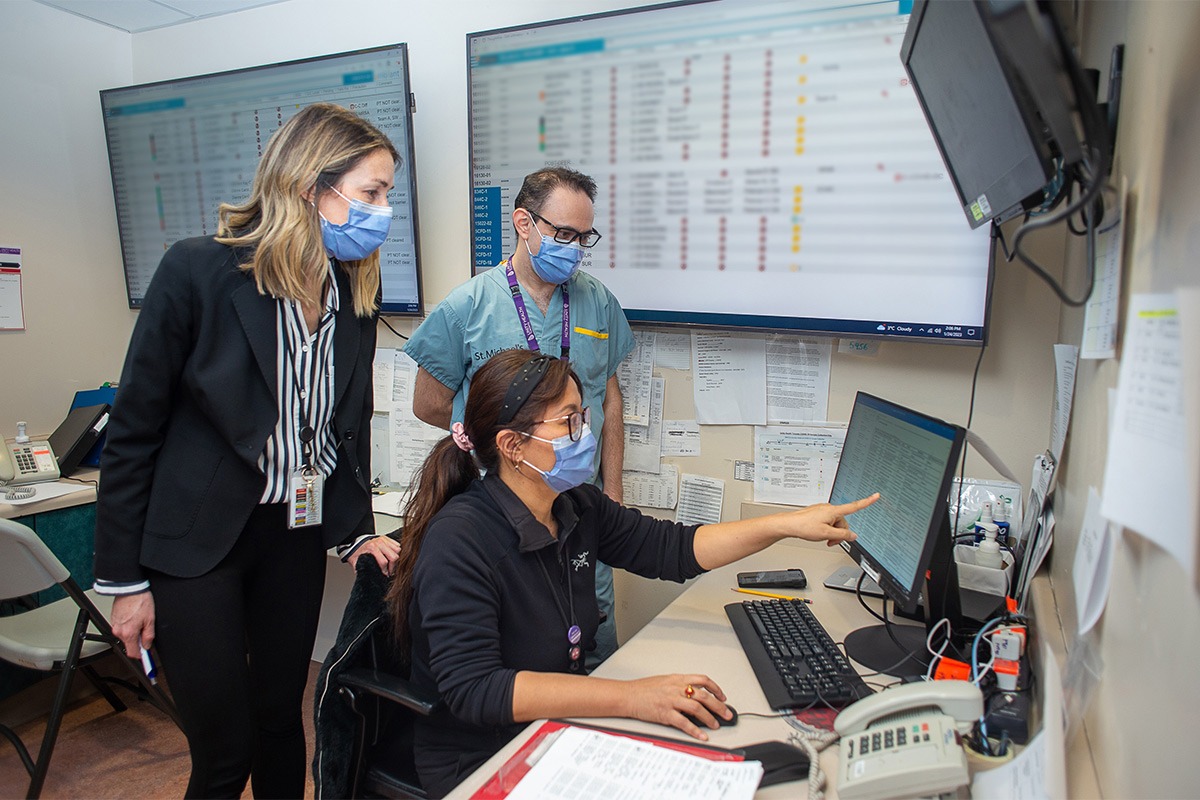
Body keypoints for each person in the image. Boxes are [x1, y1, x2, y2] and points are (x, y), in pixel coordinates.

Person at [385, 349, 878, 796]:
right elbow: (478, 690)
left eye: (585, 415)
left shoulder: (573, 505)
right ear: (513, 445)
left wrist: (787, 524)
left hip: (557, 725)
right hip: (481, 759)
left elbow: (674, 548)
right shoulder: (460, 540)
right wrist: (633, 697)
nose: (588, 434)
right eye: (569, 423)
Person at [92, 102, 402, 799]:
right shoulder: (199, 272)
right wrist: (123, 583)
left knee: (280, 723)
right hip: (193, 546)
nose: (385, 211)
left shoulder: (352, 290)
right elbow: (134, 431)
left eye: (388, 195)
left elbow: (341, 427)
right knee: (225, 748)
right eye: (372, 193)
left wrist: (355, 532)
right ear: (308, 184)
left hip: (288, 536)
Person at [404, 166, 635, 664]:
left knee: (595, 650)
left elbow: (608, 397)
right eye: (563, 234)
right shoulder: (469, 306)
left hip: (579, 505)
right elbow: (428, 402)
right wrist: (492, 438)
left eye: (583, 237)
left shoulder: (597, 302)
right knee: (521, 652)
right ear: (523, 223)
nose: (574, 248)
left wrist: (611, 490)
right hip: (504, 506)